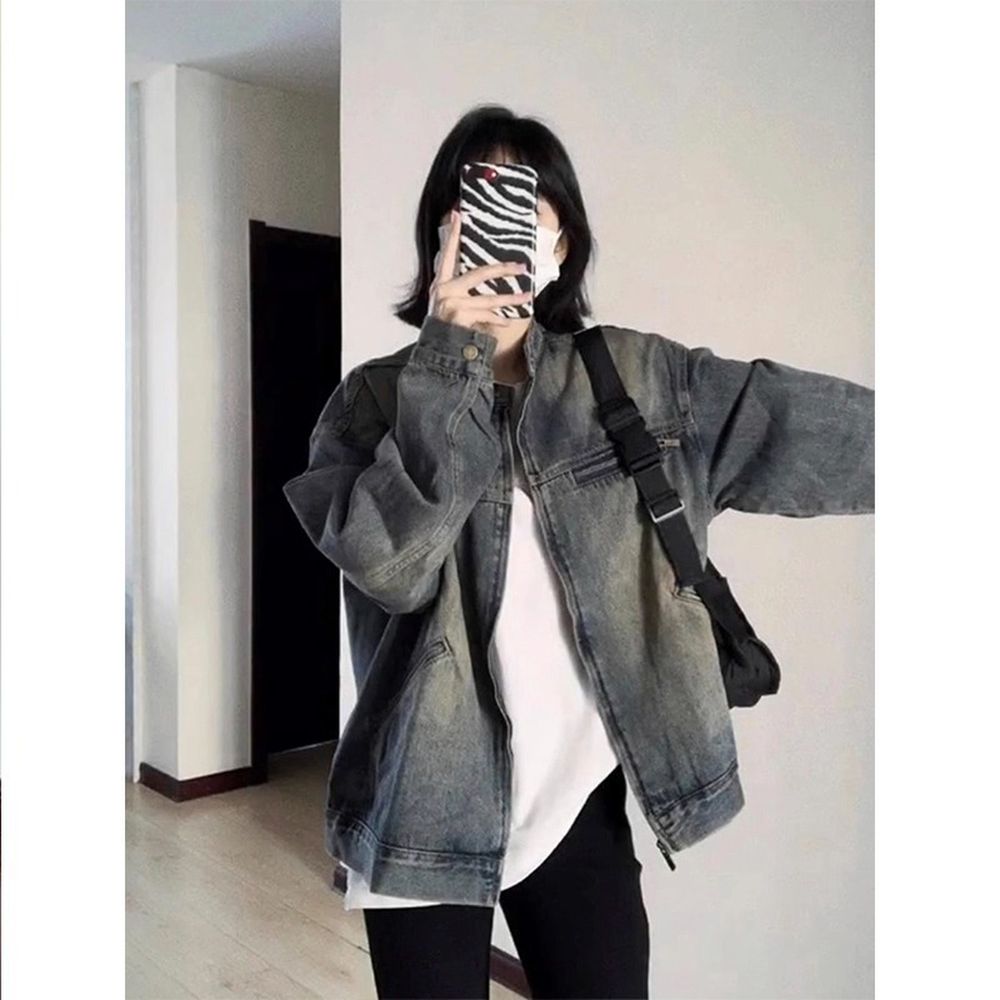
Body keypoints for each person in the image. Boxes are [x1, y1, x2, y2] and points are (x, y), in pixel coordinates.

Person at [282, 104, 874, 999]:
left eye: (526, 204)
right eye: (475, 202)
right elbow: (390, 568)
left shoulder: (638, 380)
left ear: (563, 240)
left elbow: (786, 420)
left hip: (578, 795)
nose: (502, 227)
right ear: (442, 235)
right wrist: (447, 364)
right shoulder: (372, 402)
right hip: (421, 804)